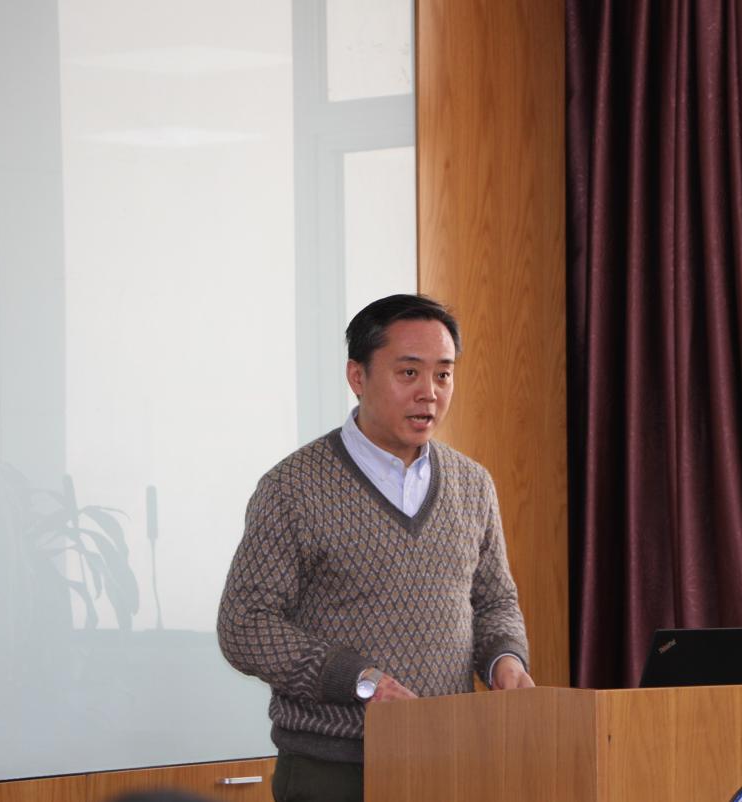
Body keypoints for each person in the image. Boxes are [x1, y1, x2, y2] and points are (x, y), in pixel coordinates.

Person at [217, 294, 533, 802]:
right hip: (332, 769)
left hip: (449, 759)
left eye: (443, 374)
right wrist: (359, 681)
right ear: (357, 376)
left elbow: (494, 602)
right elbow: (244, 625)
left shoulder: (473, 484)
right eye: (409, 373)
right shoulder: (292, 488)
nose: (429, 392)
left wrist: (504, 660)